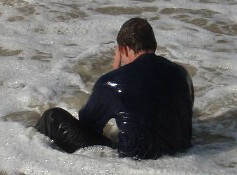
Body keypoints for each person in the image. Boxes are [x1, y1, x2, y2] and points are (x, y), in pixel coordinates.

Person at [35, 18, 194, 159]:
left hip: (132, 162)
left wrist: (115, 72)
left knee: (52, 117)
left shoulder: (113, 82)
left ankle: (26, 153)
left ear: (124, 49)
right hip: (180, 155)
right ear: (155, 45)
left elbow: (88, 125)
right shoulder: (182, 74)